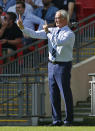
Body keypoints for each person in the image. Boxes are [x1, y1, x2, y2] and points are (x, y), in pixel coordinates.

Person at [17, 9, 75, 126]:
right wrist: (22, 28)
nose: (56, 20)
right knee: (53, 93)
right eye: (55, 18)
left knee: (65, 93)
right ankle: (56, 120)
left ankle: (68, 120)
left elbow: (59, 42)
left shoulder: (69, 33)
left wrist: (48, 32)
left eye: (58, 18)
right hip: (51, 64)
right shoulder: (52, 30)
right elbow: (34, 34)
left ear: (65, 19)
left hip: (63, 65)